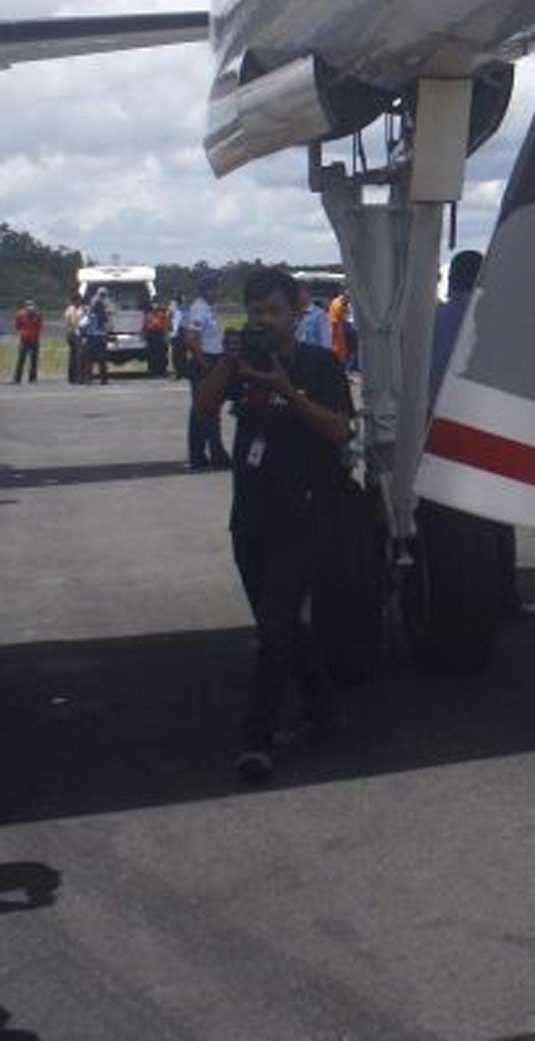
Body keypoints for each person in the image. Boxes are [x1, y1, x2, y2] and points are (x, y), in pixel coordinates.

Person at [194, 266, 354, 784]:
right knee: (280, 622)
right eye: (257, 312)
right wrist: (232, 363)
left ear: (297, 310)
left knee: (274, 627)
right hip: (252, 514)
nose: (267, 321)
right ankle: (326, 713)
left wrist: (288, 391)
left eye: (275, 312)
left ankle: (256, 739)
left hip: (305, 513)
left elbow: (337, 428)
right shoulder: (243, 362)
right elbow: (204, 409)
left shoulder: (319, 363)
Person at [430, 251, 535, 621]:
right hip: (487, 431)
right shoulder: (495, 320)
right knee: (495, 522)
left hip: (438, 434)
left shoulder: (433, 321)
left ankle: (451, 594)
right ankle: (503, 596)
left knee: (447, 523)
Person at [185, 275, 231, 469]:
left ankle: (206, 454)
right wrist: (205, 364)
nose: (217, 293)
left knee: (206, 411)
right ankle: (211, 455)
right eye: (213, 289)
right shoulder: (199, 309)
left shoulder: (209, 308)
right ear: (205, 290)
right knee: (205, 411)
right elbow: (191, 338)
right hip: (205, 360)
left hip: (213, 359)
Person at [83, 294, 110, 384]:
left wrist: (85, 336)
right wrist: (106, 336)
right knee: (101, 360)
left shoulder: (89, 315)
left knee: (89, 360)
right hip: (100, 339)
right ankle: (103, 379)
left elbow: (83, 326)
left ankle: (88, 379)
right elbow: (107, 327)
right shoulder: (103, 316)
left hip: (90, 338)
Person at [12, 299, 41, 383]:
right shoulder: (20, 314)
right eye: (28, 306)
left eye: (31, 306)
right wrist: (22, 333)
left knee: (34, 359)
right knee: (21, 359)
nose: (30, 308)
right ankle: (17, 377)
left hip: (34, 338)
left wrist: (35, 333)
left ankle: (32, 378)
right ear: (25, 307)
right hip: (24, 338)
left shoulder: (38, 315)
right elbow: (17, 326)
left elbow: (39, 326)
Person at [63, 296, 85, 383]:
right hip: (73, 333)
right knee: (73, 356)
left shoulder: (82, 309)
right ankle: (72, 377)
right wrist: (68, 333)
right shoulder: (70, 309)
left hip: (79, 333)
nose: (78, 302)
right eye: (77, 301)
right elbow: (67, 323)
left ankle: (79, 376)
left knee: (79, 356)